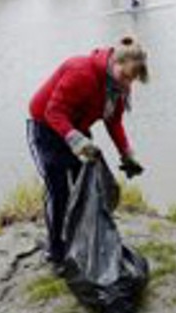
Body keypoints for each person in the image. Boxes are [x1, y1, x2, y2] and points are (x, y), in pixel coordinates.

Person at [27, 36, 149, 268]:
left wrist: (127, 154)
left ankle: (82, 241)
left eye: (132, 80)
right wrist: (77, 142)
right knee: (59, 192)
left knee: (86, 189)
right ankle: (55, 251)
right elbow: (54, 112)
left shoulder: (117, 88)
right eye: (125, 76)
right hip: (45, 127)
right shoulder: (81, 71)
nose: (127, 84)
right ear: (115, 62)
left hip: (77, 129)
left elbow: (113, 122)